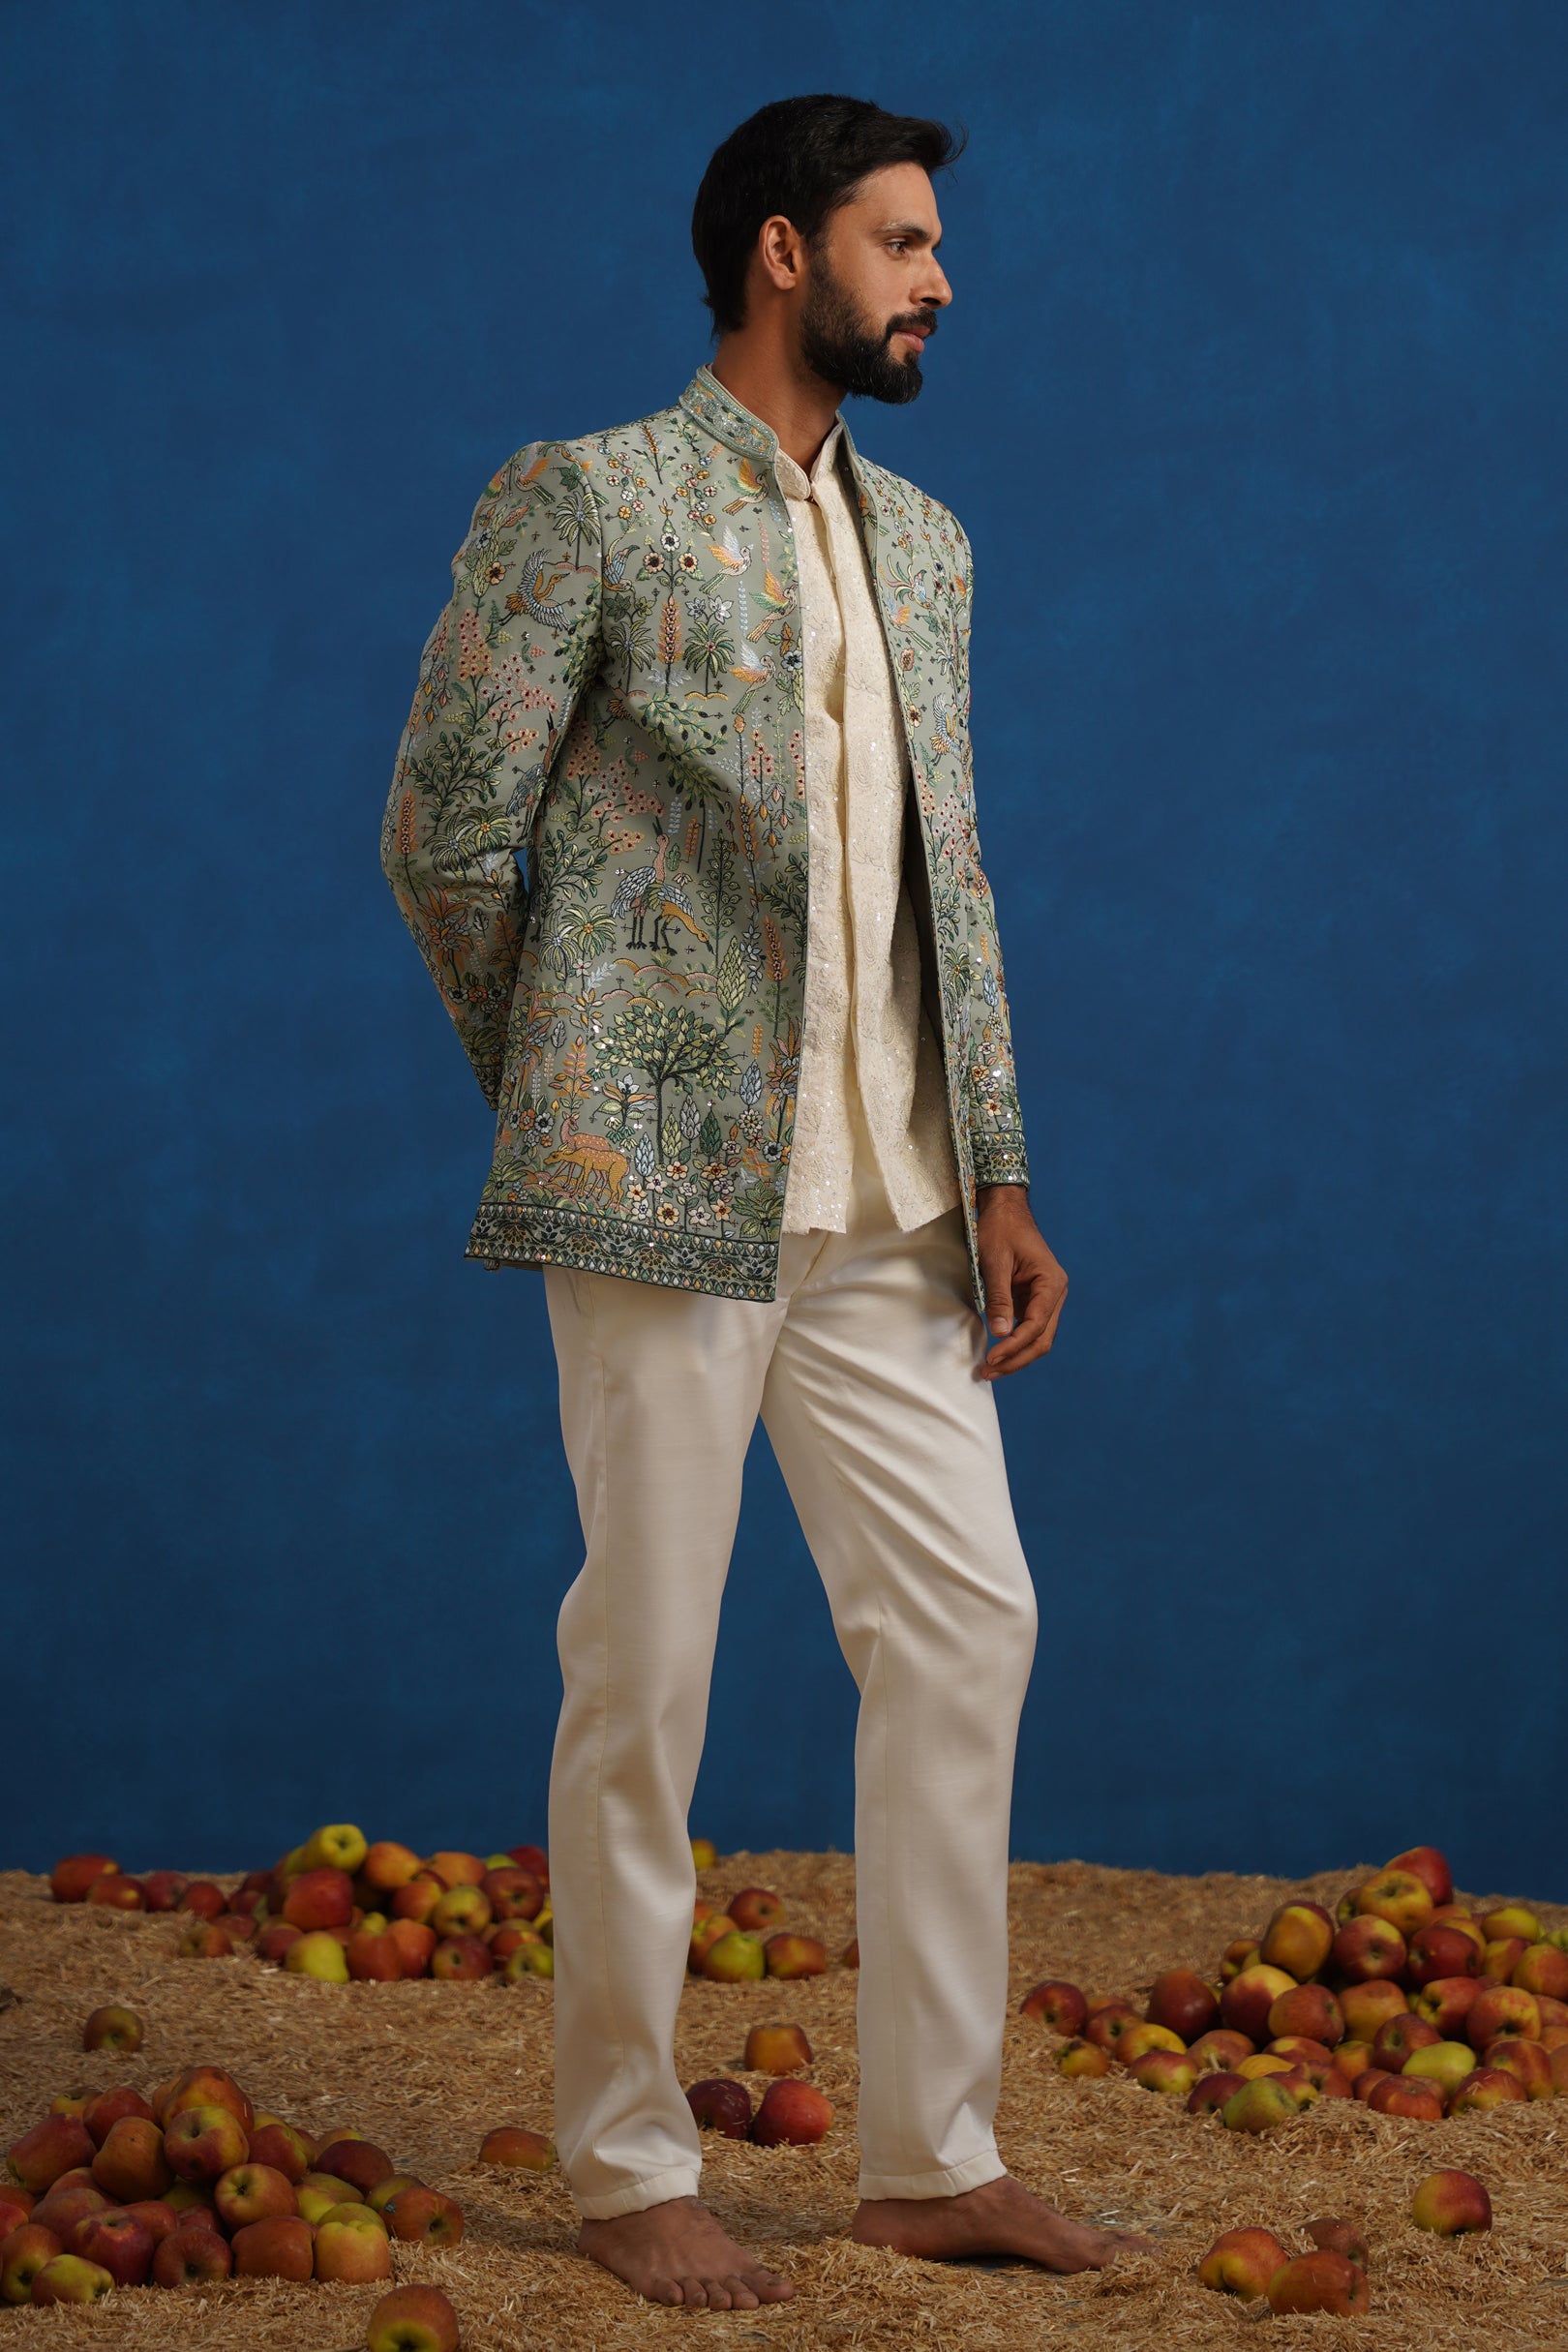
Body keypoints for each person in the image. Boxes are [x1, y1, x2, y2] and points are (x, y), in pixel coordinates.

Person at [381, 90, 1157, 2314]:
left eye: (936, 246)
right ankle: (630, 2159)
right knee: (649, 1665)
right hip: (663, 1195)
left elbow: (951, 882)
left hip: (897, 1206)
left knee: (970, 1624)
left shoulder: (930, 545)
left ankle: (929, 2156)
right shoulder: (587, 499)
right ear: (785, 254)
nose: (943, 281)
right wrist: (582, 1089)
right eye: (905, 242)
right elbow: (447, 833)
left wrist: (998, 1163)